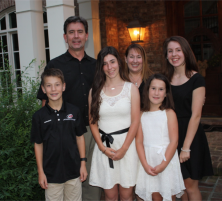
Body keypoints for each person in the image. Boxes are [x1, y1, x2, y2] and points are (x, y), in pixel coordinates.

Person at [36, 16, 102, 201]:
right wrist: (48, 133)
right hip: (63, 129)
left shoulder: (96, 65)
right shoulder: (55, 65)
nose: (76, 36)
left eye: (80, 32)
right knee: (65, 179)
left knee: (91, 176)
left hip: (92, 129)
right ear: (65, 37)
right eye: (71, 32)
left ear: (86, 36)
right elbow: (45, 102)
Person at [162, 36, 213, 201]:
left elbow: (196, 115)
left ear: (186, 52)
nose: (174, 54)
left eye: (178, 50)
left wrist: (186, 148)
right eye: (170, 51)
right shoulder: (165, 80)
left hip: (190, 137)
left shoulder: (196, 79)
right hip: (170, 135)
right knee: (179, 186)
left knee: (190, 186)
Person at [88, 46, 140, 201]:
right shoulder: (95, 91)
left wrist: (124, 149)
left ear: (119, 62)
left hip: (127, 147)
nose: (110, 67)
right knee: (110, 196)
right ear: (101, 67)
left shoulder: (131, 89)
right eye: (105, 64)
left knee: (126, 195)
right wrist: (103, 149)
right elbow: (92, 122)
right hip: (104, 148)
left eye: (112, 61)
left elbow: (135, 121)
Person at [31, 68, 87, 201]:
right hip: (51, 176)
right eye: (49, 86)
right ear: (43, 89)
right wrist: (41, 172)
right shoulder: (39, 116)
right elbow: (38, 144)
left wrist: (83, 164)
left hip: (74, 173)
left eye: (57, 85)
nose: (53, 89)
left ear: (63, 86)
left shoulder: (74, 111)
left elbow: (80, 138)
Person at [135, 73, 185, 201]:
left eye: (161, 89)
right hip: (147, 160)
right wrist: (145, 164)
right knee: (153, 195)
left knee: (167, 194)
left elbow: (174, 142)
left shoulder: (169, 113)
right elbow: (139, 141)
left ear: (166, 93)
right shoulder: (141, 114)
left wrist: (163, 164)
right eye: (153, 88)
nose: (156, 93)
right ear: (147, 91)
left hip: (165, 160)